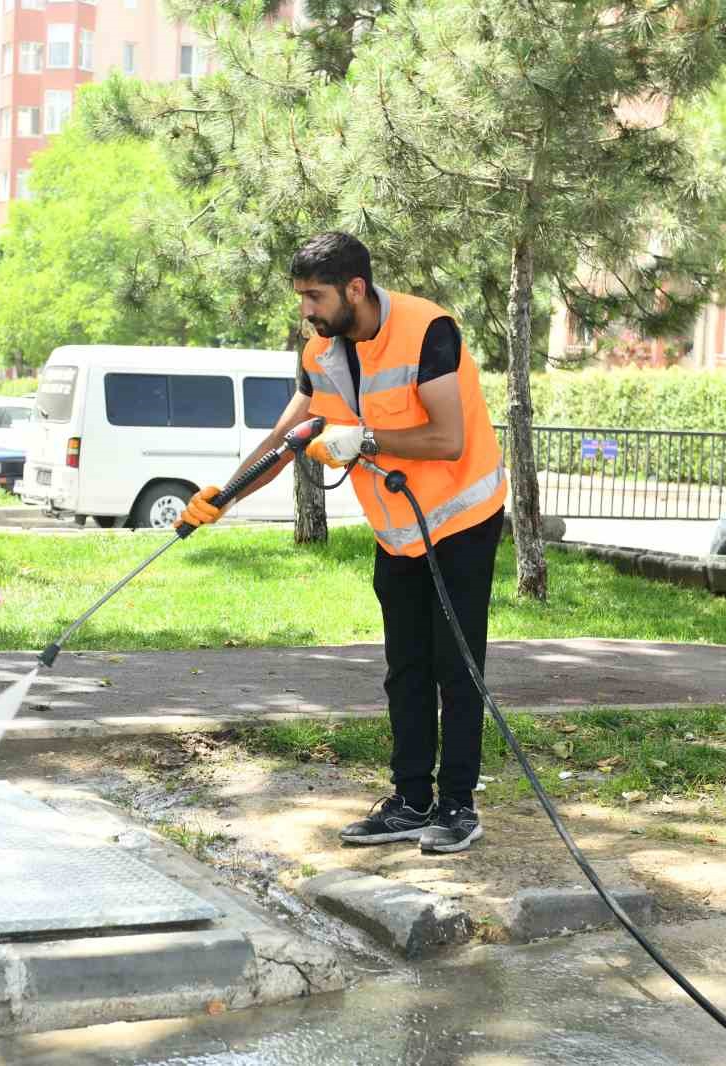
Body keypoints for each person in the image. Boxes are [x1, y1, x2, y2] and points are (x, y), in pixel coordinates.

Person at [176, 232, 506, 854]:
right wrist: (225, 494)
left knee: (455, 667)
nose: (306, 310)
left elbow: (448, 440)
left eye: (314, 296)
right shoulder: (322, 349)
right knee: (405, 669)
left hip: (463, 520)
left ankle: (458, 806)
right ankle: (411, 801)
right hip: (399, 531)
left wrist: (366, 441)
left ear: (355, 289)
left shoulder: (429, 330)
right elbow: (288, 437)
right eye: (301, 297)